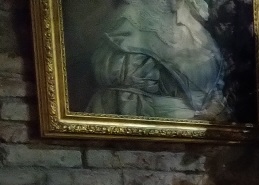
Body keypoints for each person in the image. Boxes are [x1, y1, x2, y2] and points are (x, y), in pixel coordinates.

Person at [88, 0, 229, 121]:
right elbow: (126, 107)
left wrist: (214, 112)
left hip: (199, 137)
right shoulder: (134, 18)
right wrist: (190, 120)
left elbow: (213, 90)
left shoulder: (191, 21)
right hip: (159, 136)